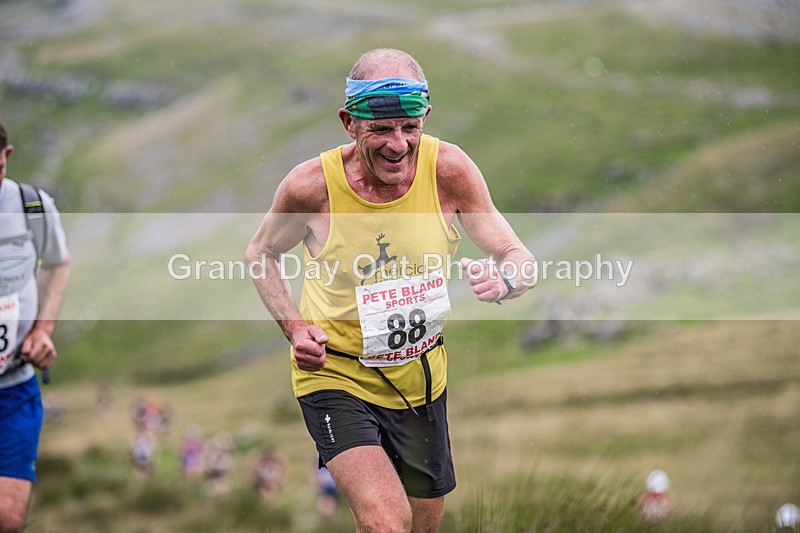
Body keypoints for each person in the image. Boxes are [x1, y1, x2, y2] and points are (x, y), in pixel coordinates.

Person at [246, 48, 536, 532]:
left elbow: (519, 257)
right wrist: (295, 328)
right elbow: (260, 255)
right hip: (336, 377)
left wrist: (506, 278)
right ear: (349, 123)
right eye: (380, 129)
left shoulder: (449, 172)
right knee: (386, 522)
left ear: (424, 118)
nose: (398, 145)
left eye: (410, 127)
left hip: (421, 384)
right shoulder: (310, 188)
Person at [0, 119, 70, 532]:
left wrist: (43, 329)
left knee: (9, 521)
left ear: (6, 156)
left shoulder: (32, 206)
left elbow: (58, 263)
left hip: (15, 388)